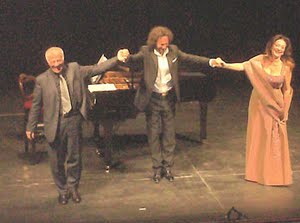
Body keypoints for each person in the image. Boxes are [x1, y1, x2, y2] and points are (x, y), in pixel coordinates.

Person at [26, 47, 128, 205]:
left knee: (74, 158)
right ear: (48, 63)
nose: (57, 65)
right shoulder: (42, 80)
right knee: (56, 161)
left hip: (73, 120)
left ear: (63, 58)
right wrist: (30, 126)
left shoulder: (74, 69)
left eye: (58, 61)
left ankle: (73, 187)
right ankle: (62, 190)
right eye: (53, 63)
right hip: (54, 124)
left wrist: (117, 58)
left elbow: (97, 68)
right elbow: (36, 105)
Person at [120, 26, 218, 183]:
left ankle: (167, 167)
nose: (164, 47)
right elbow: (133, 60)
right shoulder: (146, 51)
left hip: (168, 99)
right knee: (153, 135)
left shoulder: (174, 51)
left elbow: (191, 58)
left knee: (169, 134)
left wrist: (211, 62)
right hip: (153, 99)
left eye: (166, 44)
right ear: (154, 42)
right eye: (161, 44)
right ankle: (157, 168)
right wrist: (124, 56)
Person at [216, 34, 295, 186]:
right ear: (271, 45)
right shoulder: (260, 60)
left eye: (282, 47)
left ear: (285, 50)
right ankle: (257, 174)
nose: (279, 49)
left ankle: (276, 176)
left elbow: (287, 89)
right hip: (259, 103)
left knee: (275, 138)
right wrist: (225, 65)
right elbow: (243, 66)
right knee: (260, 135)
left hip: (276, 105)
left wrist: (285, 110)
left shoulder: (286, 66)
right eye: (277, 45)